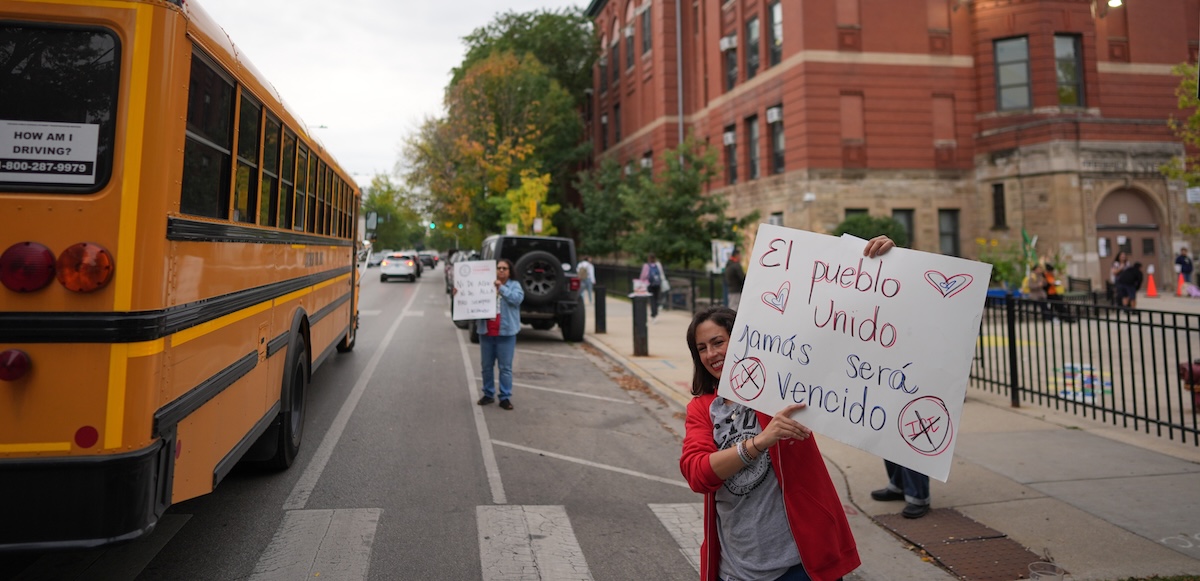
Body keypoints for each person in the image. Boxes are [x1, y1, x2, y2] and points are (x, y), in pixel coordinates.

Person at [678, 235, 894, 581]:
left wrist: (876, 267)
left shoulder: (780, 383)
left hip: (800, 562)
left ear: (743, 336)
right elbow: (698, 473)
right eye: (701, 348)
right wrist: (759, 442)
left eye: (718, 341)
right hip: (737, 566)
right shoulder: (703, 408)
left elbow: (834, 329)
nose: (711, 354)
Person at [475, 258, 524, 410]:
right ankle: (488, 394)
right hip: (487, 332)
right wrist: (459, 295)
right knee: (486, 366)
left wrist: (501, 288)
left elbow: (517, 299)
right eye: (498, 268)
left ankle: (505, 397)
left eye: (504, 268)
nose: (501, 270)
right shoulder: (483, 283)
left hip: (506, 333)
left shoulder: (514, 286)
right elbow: (471, 300)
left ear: (510, 272)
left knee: (505, 368)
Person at [639, 253, 667, 319]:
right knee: (656, 298)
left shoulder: (646, 266)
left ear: (649, 258)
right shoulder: (658, 265)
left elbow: (643, 276)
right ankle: (656, 312)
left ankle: (653, 313)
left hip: (650, 284)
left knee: (652, 299)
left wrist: (641, 282)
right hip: (657, 284)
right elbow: (661, 274)